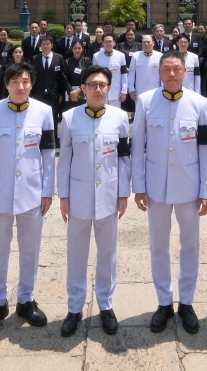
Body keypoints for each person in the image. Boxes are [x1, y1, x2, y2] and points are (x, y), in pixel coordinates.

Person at [132, 50, 207, 335]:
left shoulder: (199, 103)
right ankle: (164, 302)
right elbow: (137, 148)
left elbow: (206, 149)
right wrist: (139, 186)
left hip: (189, 186)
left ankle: (187, 302)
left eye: (176, 69)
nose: (171, 74)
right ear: (159, 72)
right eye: (166, 69)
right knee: (158, 245)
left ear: (185, 71)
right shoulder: (146, 101)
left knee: (190, 246)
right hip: (156, 187)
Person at [0, 62, 56, 332]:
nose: (20, 87)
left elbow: (48, 155)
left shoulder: (44, 112)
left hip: (32, 193)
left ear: (31, 83)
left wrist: (47, 190)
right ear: (6, 84)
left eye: (25, 81)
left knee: (30, 248)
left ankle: (26, 298)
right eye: (14, 82)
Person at [57, 66, 131, 336]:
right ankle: (74, 307)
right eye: (92, 85)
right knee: (76, 253)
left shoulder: (120, 118)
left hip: (109, 195)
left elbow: (124, 158)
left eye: (102, 85)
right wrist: (63, 195)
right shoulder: (69, 118)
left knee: (107, 252)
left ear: (109, 88)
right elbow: (64, 160)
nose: (98, 89)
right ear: (83, 88)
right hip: (77, 195)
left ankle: (106, 305)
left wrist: (123, 193)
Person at [31, 34, 67, 129]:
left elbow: (62, 78)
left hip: (54, 94)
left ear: (52, 45)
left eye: (48, 44)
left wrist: (61, 94)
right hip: (39, 94)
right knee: (39, 118)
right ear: (40, 45)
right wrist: (32, 94)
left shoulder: (59, 58)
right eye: (43, 44)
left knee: (53, 118)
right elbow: (33, 77)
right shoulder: (35, 59)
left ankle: (54, 141)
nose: (45, 46)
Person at [92, 34, 128, 113]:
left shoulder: (121, 56)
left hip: (116, 92)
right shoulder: (96, 56)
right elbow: (94, 75)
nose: (108, 44)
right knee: (101, 113)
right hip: (101, 91)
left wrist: (124, 91)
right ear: (102, 43)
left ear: (114, 42)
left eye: (110, 41)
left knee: (115, 114)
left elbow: (124, 74)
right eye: (106, 42)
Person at [127, 33, 161, 106]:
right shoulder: (136, 56)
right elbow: (131, 74)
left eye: (148, 42)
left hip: (155, 89)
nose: (146, 44)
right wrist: (131, 90)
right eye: (144, 42)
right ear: (141, 44)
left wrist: (163, 89)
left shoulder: (160, 56)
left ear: (153, 43)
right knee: (140, 113)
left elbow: (162, 74)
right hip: (140, 90)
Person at [61, 39, 90, 110]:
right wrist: (72, 93)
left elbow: (88, 77)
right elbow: (65, 78)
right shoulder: (66, 62)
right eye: (75, 48)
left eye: (79, 48)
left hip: (83, 91)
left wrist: (78, 90)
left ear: (82, 49)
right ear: (72, 49)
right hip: (69, 92)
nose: (77, 50)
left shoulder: (87, 61)